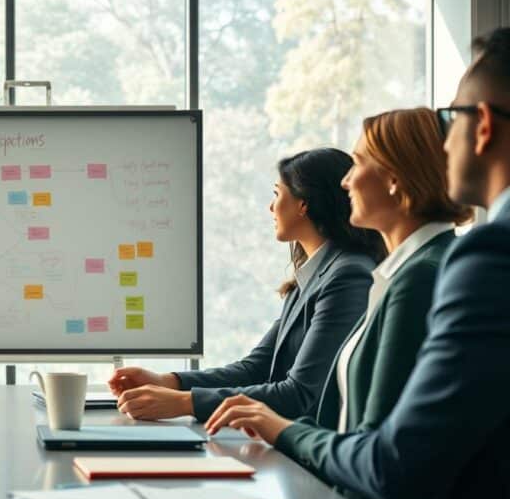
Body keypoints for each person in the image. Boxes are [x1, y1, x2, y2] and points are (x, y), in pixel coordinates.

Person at [207, 30, 510, 499]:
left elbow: (394, 460)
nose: (346, 180)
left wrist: (282, 429)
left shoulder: (456, 265)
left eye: (448, 119)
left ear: (480, 126)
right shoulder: (397, 272)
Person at [110, 148, 385, 421]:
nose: (271, 207)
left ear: (304, 204)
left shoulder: (348, 276)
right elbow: (256, 369)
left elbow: (299, 394)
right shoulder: (311, 277)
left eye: (277, 194)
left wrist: (185, 403)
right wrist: (166, 381)